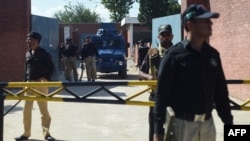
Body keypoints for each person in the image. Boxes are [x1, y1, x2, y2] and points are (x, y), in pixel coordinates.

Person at [153, 4, 233, 141]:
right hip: (182, 127)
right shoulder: (174, 56)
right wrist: (158, 133)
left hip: (208, 126)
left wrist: (231, 127)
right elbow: (161, 97)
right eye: (205, 20)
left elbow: (221, 95)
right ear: (190, 24)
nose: (210, 23)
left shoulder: (213, 55)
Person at [15, 32, 56, 141]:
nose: (27, 41)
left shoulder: (44, 53)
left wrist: (44, 78)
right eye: (27, 39)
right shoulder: (27, 54)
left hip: (40, 85)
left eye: (30, 39)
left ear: (36, 41)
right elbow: (26, 70)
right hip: (28, 85)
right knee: (26, 110)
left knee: (44, 111)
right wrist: (23, 84)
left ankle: (47, 134)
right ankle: (26, 133)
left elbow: (51, 68)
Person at [138, 24, 173, 141]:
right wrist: (149, 77)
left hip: (174, 98)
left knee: (174, 130)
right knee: (154, 130)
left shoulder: (178, 52)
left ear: (172, 36)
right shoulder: (152, 52)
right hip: (155, 98)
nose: (165, 37)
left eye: (167, 34)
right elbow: (140, 73)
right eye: (163, 35)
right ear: (158, 37)